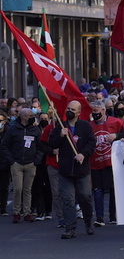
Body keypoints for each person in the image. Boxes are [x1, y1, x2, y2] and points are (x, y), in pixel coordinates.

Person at [49, 101, 96, 239]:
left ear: (79, 113)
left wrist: (83, 154)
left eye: (72, 109)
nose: (69, 111)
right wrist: (60, 136)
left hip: (82, 170)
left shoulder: (85, 126)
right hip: (65, 170)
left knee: (85, 197)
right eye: (68, 108)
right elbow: (52, 144)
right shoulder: (60, 126)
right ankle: (70, 228)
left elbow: (91, 143)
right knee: (67, 199)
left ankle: (88, 221)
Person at [89, 100, 124, 226]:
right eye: (93, 112)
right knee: (97, 190)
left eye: (96, 111)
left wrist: (116, 135)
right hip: (95, 163)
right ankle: (99, 217)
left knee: (113, 189)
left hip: (112, 162)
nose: (95, 114)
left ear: (103, 110)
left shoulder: (117, 122)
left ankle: (113, 215)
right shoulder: (89, 126)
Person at [0, 108, 43, 222]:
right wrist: (11, 160)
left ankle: (27, 212)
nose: (32, 117)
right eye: (30, 116)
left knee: (27, 189)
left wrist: (36, 160)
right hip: (17, 163)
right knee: (18, 189)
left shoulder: (35, 130)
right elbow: (4, 146)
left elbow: (40, 146)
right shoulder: (13, 129)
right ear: (23, 117)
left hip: (30, 163)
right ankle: (16, 212)